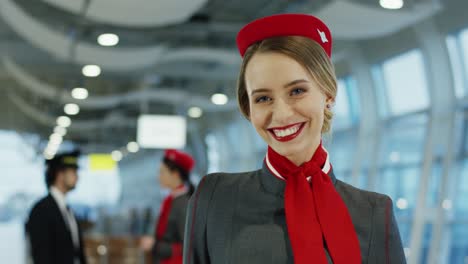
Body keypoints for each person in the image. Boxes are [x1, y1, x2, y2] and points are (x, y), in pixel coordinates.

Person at [183, 14, 406, 264]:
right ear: (249, 108)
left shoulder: (374, 213)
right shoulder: (214, 198)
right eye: (263, 98)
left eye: (297, 91)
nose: (281, 115)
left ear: (328, 93)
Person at [26, 150, 87, 264]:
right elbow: (41, 257)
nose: (77, 177)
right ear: (60, 175)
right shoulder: (41, 210)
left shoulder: (68, 210)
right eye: (73, 171)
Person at [140, 149, 195, 264]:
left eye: (162, 172)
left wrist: (154, 245)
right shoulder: (173, 200)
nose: (159, 177)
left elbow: (187, 245)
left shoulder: (183, 204)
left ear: (175, 174)